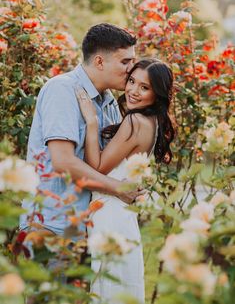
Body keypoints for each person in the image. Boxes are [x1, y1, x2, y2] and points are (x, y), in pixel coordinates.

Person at [20, 23, 143, 237]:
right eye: (125, 61)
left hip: (87, 230)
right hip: (50, 226)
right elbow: (64, 162)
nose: (132, 68)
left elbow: (103, 164)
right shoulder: (63, 90)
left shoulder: (109, 102)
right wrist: (118, 188)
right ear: (99, 61)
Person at [76, 58, 175, 303]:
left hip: (109, 217)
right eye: (131, 81)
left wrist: (91, 122)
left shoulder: (135, 122)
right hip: (123, 218)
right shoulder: (152, 122)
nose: (133, 90)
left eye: (144, 87)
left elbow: (96, 166)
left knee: (106, 289)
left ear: (157, 94)